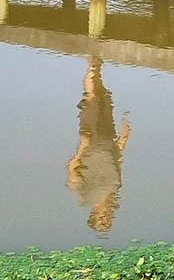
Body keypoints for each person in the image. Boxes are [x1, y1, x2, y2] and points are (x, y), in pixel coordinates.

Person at [65, 56, 130, 232]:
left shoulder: (84, 195)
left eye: (101, 218)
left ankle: (92, 66)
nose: (106, 216)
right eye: (107, 220)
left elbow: (71, 170)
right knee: (102, 96)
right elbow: (115, 162)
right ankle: (96, 66)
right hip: (108, 140)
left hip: (91, 138)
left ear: (94, 212)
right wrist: (123, 138)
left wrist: (82, 147)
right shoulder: (114, 191)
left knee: (92, 97)